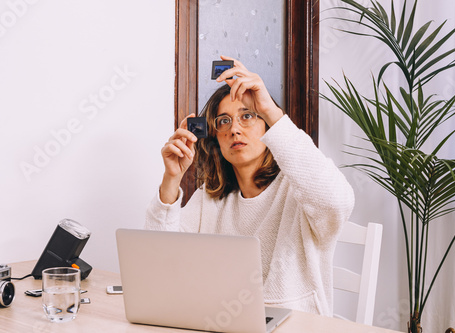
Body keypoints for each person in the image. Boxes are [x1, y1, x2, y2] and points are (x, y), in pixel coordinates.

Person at [145, 55, 354, 316]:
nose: (235, 129)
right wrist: (171, 178)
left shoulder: (299, 192)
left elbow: (337, 202)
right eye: (224, 121)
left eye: (248, 116)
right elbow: (160, 260)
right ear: (215, 140)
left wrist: (271, 111)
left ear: (268, 126)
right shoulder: (210, 199)